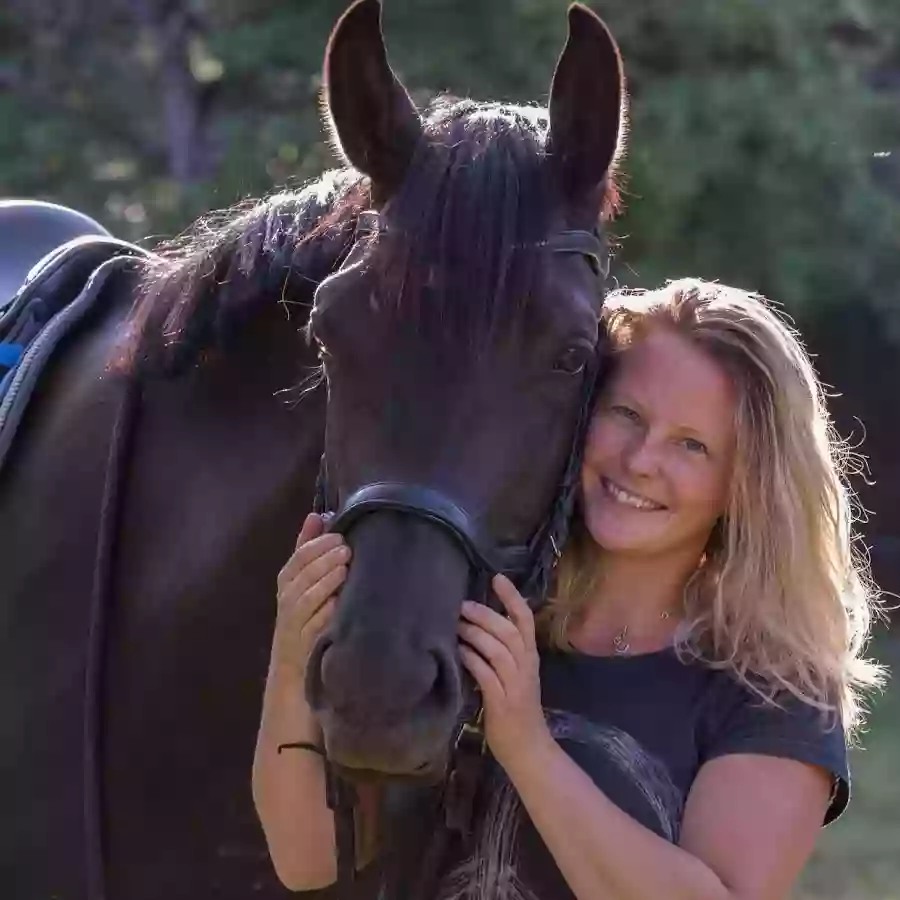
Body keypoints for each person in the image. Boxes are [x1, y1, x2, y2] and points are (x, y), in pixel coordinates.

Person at [253, 278, 886, 899]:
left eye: (691, 446)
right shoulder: (482, 612)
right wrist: (291, 667)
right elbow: (308, 862)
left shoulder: (773, 690)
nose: (640, 460)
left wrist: (528, 748)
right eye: (627, 414)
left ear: (746, 485)